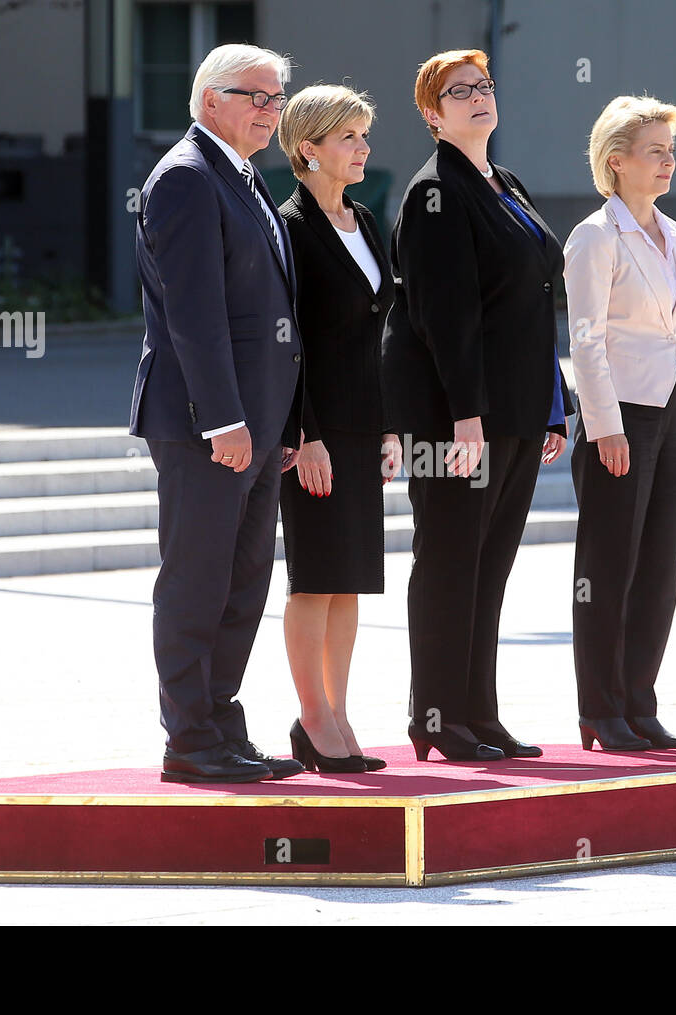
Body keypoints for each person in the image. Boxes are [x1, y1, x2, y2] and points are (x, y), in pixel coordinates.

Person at [382, 49, 573, 763]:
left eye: (485, 85)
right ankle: (435, 715)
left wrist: (552, 405)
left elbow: (533, 301)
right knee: (450, 562)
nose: (477, 97)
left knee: (489, 567)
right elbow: (443, 316)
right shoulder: (434, 193)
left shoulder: (504, 182)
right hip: (461, 420)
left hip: (518, 411)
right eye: (459, 92)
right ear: (432, 115)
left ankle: (477, 712)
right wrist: (467, 417)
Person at [130, 44, 307, 784]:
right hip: (208, 424)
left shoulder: (242, 175)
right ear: (210, 101)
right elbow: (193, 317)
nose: (271, 110)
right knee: (197, 581)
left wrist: (283, 425)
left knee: (242, 583)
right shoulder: (184, 178)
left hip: (257, 425)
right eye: (256, 97)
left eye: (277, 99)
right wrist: (224, 420)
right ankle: (189, 737)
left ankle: (221, 722)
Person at [563, 95, 676, 752]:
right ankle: (601, 707)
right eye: (655, 151)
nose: (667, 162)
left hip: (671, 411)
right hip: (619, 416)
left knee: (658, 566)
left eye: (670, 151)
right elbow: (585, 340)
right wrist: (604, 426)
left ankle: (639, 702)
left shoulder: (674, 233)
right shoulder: (594, 236)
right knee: (609, 565)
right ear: (615, 162)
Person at [275, 85, 401, 774]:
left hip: (362, 427)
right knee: (314, 578)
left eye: (363, 134)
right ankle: (312, 715)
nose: (363, 148)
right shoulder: (290, 228)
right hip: (316, 431)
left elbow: (376, 334)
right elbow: (286, 340)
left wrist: (387, 426)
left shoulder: (366, 220)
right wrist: (306, 434)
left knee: (350, 579)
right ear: (308, 149)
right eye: (349, 137)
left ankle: (338, 710)